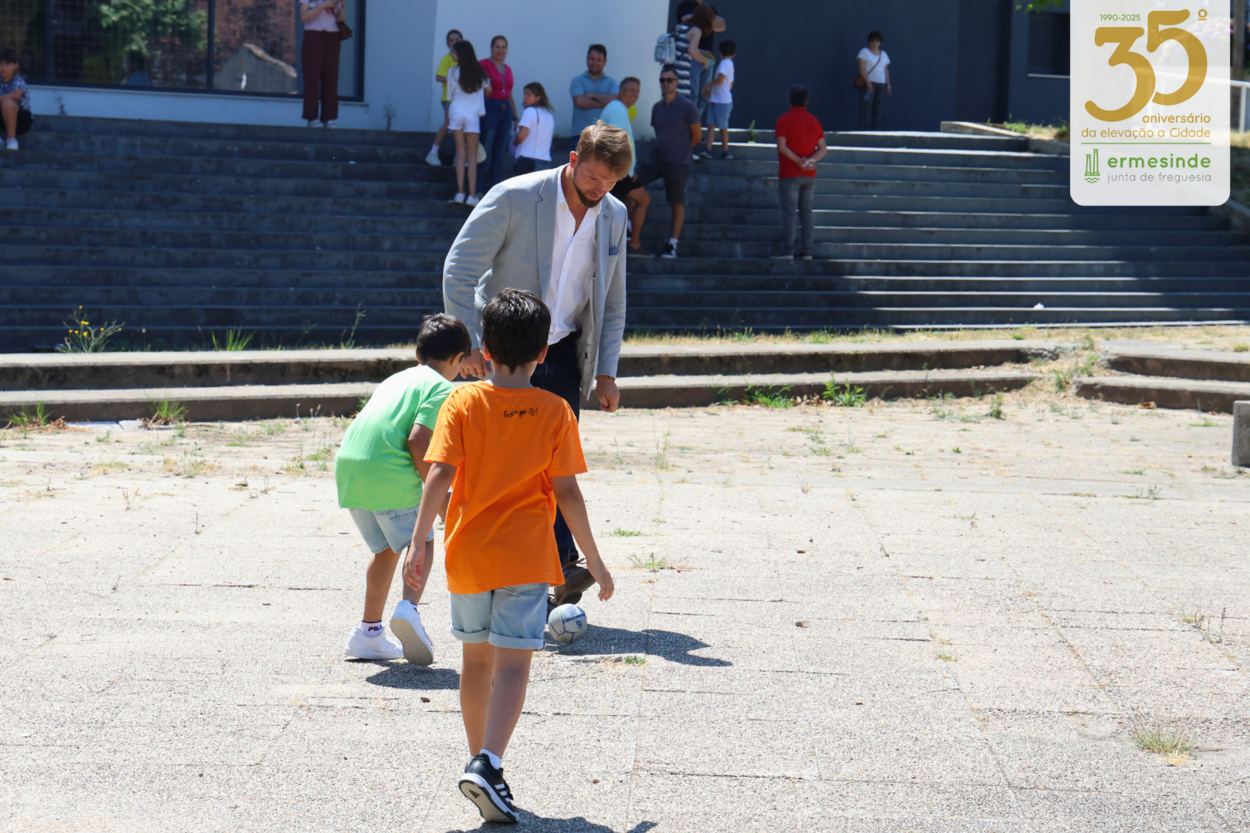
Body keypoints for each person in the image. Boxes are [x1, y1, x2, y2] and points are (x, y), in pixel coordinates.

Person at [403, 289, 614, 824]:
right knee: (515, 664)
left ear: (483, 351)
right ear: (545, 352)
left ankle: (482, 765)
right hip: (524, 555)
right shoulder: (555, 410)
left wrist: (417, 542)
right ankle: (488, 764)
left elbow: (439, 475)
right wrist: (596, 560)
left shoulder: (461, 402)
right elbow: (567, 493)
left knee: (476, 661)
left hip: (468, 553)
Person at [442, 122, 631, 609]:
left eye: (610, 183)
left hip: (566, 352)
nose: (599, 189)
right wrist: (471, 345)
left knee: (558, 469)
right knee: (506, 468)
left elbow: (612, 300)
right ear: (573, 158)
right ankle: (505, 572)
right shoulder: (516, 195)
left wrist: (606, 369)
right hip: (505, 351)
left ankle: (559, 571)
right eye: (593, 176)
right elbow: (459, 268)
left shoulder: (613, 214)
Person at [335, 314, 471, 664]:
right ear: (458, 358)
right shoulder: (444, 388)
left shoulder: (398, 378)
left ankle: (368, 634)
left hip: (351, 468)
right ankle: (409, 609)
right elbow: (418, 439)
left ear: (417, 353)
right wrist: (439, 499)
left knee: (385, 550)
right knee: (421, 539)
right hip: (387, 473)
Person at [632, 68, 700, 259]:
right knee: (629, 184)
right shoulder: (657, 107)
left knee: (677, 203)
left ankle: (672, 245)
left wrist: (681, 149)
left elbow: (697, 136)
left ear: (677, 82)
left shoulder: (688, 107)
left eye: (669, 80)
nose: (665, 83)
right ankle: (629, 232)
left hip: (678, 163)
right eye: (662, 80)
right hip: (657, 159)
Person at [773, 84, 828, 261]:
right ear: (807, 101)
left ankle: (787, 251)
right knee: (806, 212)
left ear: (788, 100)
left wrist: (798, 161)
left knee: (789, 212)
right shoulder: (814, 121)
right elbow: (823, 148)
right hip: (809, 174)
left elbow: (782, 147)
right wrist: (810, 161)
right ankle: (807, 251)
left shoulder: (783, 120)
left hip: (789, 173)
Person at [602, 78, 646, 254]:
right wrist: (624, 171)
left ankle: (630, 242)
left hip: (624, 171)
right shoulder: (618, 109)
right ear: (621, 91)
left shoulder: (618, 109)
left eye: (637, 91)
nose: (634, 94)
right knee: (614, 211)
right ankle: (627, 245)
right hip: (618, 172)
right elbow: (617, 143)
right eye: (630, 90)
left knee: (640, 201)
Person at [447, 40, 490, 206]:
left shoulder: (452, 71)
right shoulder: (480, 73)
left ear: (460, 54)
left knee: (460, 153)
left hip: (457, 112)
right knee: (472, 156)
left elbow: (450, 94)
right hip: (473, 116)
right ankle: (472, 195)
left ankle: (459, 192)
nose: (451, 55)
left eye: (453, 52)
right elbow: (487, 91)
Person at [675, 0, 726, 132]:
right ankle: (687, 128)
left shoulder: (710, 8)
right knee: (691, 94)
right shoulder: (685, 5)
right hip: (692, 57)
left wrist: (703, 20)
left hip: (707, 57)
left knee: (704, 95)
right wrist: (709, 21)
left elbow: (721, 26)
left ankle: (694, 128)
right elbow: (688, 21)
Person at [478, 35, 519, 192]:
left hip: (505, 110)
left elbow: (510, 94)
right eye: (497, 46)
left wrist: (515, 117)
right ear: (491, 48)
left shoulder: (507, 69)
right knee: (485, 151)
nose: (500, 50)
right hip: (490, 108)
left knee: (500, 153)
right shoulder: (483, 65)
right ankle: (478, 189)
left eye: (503, 47)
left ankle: (495, 191)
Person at [299, 0, 346, 127]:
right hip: (313, 34)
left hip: (333, 35)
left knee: (331, 76)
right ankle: (311, 117)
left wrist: (343, 6)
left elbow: (341, 19)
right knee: (312, 76)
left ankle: (329, 117)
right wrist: (323, 5)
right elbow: (303, 16)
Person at [568, 45, 618, 147]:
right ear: (587, 60)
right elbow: (580, 102)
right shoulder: (577, 80)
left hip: (604, 136)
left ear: (605, 61)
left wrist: (593, 95)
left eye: (599, 60)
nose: (595, 63)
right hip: (581, 135)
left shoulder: (612, 82)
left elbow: (615, 101)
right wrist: (604, 101)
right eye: (592, 59)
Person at [427, 29, 463, 167]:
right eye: (451, 40)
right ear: (448, 43)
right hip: (449, 98)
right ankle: (433, 152)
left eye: (457, 40)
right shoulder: (447, 59)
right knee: (448, 124)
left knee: (462, 128)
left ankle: (458, 157)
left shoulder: (465, 60)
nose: (454, 43)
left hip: (463, 99)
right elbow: (438, 76)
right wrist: (455, 78)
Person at [673, 5, 716, 109]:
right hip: (682, 75)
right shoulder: (696, 30)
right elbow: (692, 51)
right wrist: (705, 60)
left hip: (671, 72)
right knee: (686, 106)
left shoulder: (681, 26)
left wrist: (700, 52)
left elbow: (683, 46)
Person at [701, 39, 735, 160]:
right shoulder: (730, 64)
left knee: (720, 127)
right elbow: (729, 84)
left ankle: (725, 151)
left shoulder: (724, 64)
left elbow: (721, 79)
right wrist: (714, 92)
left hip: (721, 102)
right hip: (717, 100)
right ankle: (709, 150)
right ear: (734, 53)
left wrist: (707, 86)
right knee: (714, 125)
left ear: (719, 52)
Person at [511, 82, 555, 176]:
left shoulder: (529, 111)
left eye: (528, 95)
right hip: (545, 163)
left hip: (528, 162)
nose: (524, 97)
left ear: (538, 98)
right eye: (524, 94)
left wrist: (514, 142)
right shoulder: (549, 115)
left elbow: (521, 137)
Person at [857, 31, 892, 130]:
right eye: (872, 40)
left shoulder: (883, 54)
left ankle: (875, 132)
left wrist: (888, 85)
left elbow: (885, 70)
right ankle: (863, 132)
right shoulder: (865, 52)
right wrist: (868, 83)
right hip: (868, 84)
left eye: (877, 40)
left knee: (878, 109)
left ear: (880, 42)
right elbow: (861, 68)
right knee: (866, 109)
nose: (874, 42)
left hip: (881, 84)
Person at [0, 49, 33, 152]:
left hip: (21, 119)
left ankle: (11, 140)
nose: (3, 67)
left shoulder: (18, 80)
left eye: (8, 64)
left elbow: (16, 95)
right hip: (3, 117)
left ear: (15, 66)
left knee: (6, 102)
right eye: (1, 64)